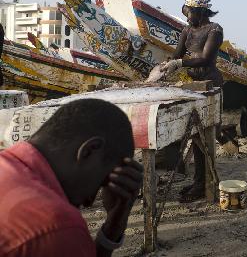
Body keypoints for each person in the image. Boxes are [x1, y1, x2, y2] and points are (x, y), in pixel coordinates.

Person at [0, 99, 143, 257]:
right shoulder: (56, 226)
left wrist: (113, 227)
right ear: (89, 150)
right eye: (101, 184)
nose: (90, 201)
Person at [161, 0, 223, 202]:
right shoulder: (187, 30)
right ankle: (199, 181)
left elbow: (205, 59)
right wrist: (166, 66)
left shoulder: (214, 30)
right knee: (195, 134)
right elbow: (177, 55)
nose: (187, 17)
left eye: (189, 13)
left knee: (205, 134)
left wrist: (179, 64)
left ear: (201, 11)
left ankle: (204, 183)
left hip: (209, 84)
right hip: (193, 86)